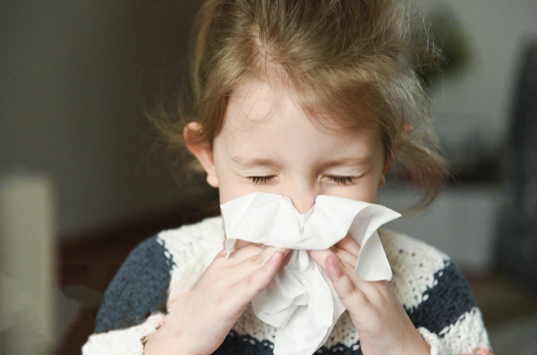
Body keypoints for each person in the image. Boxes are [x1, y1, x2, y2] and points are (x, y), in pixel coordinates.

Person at [82, 0, 494, 354]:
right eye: (262, 177)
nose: (302, 207)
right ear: (209, 157)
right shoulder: (163, 270)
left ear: (386, 160)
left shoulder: (429, 282)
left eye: (342, 176)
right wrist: (177, 341)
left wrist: (404, 345)